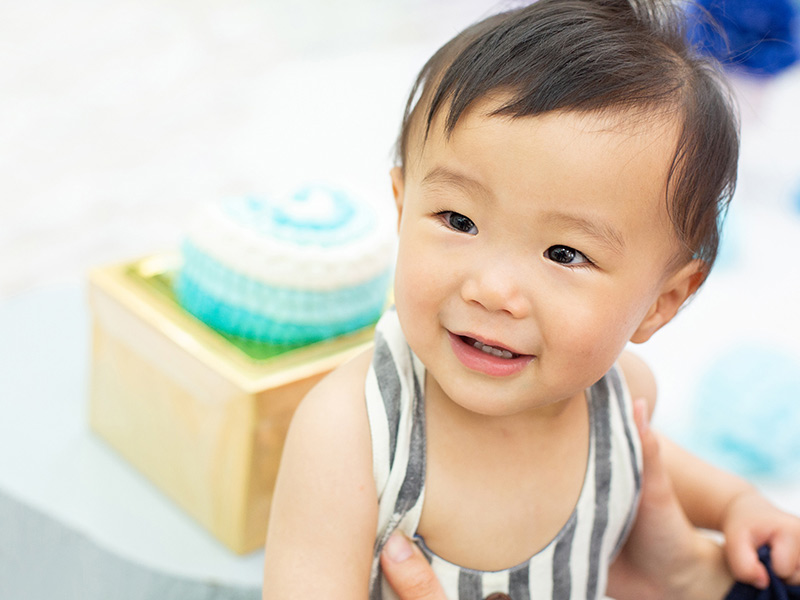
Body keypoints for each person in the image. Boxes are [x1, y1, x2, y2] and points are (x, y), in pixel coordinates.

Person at [262, 1, 800, 598]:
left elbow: (647, 459)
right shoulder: (352, 434)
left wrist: (735, 504)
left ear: (662, 303)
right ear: (400, 203)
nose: (492, 289)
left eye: (565, 254)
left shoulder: (621, 396)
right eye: (458, 219)